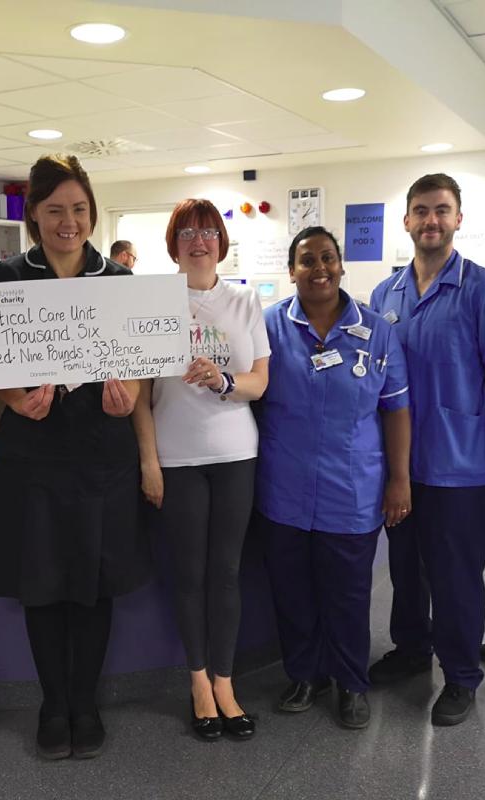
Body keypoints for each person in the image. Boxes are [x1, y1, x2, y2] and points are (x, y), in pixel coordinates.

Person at [0, 154, 149, 761]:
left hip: (103, 453)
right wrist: (13, 398)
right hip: (32, 455)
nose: (68, 222)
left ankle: (86, 701)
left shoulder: (119, 283)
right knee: (42, 584)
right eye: (55, 210)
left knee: (95, 583)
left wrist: (126, 396)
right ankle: (54, 704)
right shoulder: (5, 278)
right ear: (34, 215)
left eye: (79, 209)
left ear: (92, 213)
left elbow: (137, 376)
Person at [368, 173, 485, 726]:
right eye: (420, 210)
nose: (430, 220)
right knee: (406, 568)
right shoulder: (385, 294)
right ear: (407, 221)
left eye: (442, 210)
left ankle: (461, 675)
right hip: (398, 466)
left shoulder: (484, 291)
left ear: (458, 219)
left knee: (455, 575)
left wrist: (464, 423)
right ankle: (412, 650)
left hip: (456, 469)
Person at [254, 226, 410, 730]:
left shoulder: (377, 330)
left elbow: (397, 410)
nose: (318, 268)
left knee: (347, 595)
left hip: (352, 489)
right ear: (292, 271)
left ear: (341, 265)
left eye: (327, 258)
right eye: (306, 260)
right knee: (293, 593)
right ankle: (305, 674)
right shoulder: (269, 327)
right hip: (285, 490)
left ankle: (350, 683)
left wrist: (399, 479)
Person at [132, 198, 270, 742]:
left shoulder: (244, 300)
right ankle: (198, 682)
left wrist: (225, 382)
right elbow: (140, 398)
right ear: (173, 243)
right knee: (188, 575)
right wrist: (149, 461)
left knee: (227, 574)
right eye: (187, 232)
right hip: (178, 458)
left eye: (209, 231)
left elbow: (260, 381)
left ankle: (226, 680)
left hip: (236, 453)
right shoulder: (151, 303)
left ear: (221, 242)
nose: (199, 240)